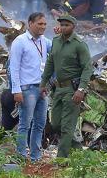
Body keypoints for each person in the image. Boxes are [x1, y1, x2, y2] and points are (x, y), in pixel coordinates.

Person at [40, 14, 93, 158]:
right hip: (58, 88)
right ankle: (78, 149)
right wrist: (43, 83)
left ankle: (61, 160)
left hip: (72, 89)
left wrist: (81, 90)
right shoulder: (56, 41)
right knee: (56, 123)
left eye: (66, 25)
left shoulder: (79, 44)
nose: (63, 28)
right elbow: (50, 63)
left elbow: (88, 68)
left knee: (67, 126)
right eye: (62, 25)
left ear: (73, 27)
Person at [10, 12, 51, 161]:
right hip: (27, 89)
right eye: (40, 24)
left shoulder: (45, 41)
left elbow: (58, 49)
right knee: (25, 124)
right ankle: (21, 156)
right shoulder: (20, 42)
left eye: (45, 24)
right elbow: (13, 67)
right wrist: (16, 90)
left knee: (40, 124)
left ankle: (35, 156)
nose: (43, 27)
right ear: (30, 24)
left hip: (42, 89)